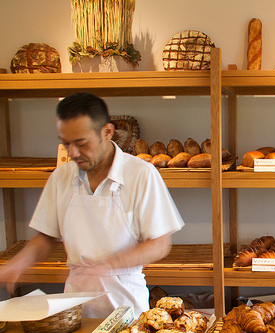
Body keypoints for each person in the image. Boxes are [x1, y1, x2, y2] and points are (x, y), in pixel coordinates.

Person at [0, 92, 184, 317]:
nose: (73, 153)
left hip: (125, 304)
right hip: (75, 303)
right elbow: (47, 236)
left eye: (81, 143)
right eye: (66, 144)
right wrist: (18, 263)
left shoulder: (140, 174)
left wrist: (107, 266)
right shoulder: (61, 177)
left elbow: (159, 244)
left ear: (107, 132)